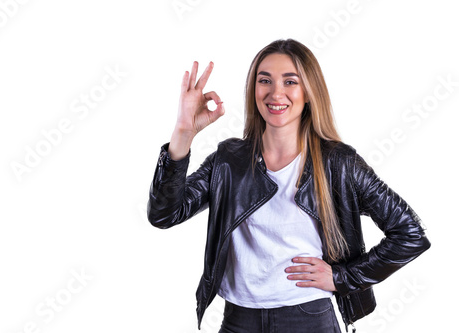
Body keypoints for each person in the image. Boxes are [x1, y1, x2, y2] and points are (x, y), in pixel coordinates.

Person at [147, 39, 431, 333]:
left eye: (290, 81)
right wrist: (183, 132)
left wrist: (340, 278)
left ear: (308, 92)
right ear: (253, 90)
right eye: (265, 80)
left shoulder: (338, 163)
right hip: (238, 320)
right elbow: (163, 214)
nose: (275, 92)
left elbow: (410, 234)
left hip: (308, 318)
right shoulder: (229, 161)